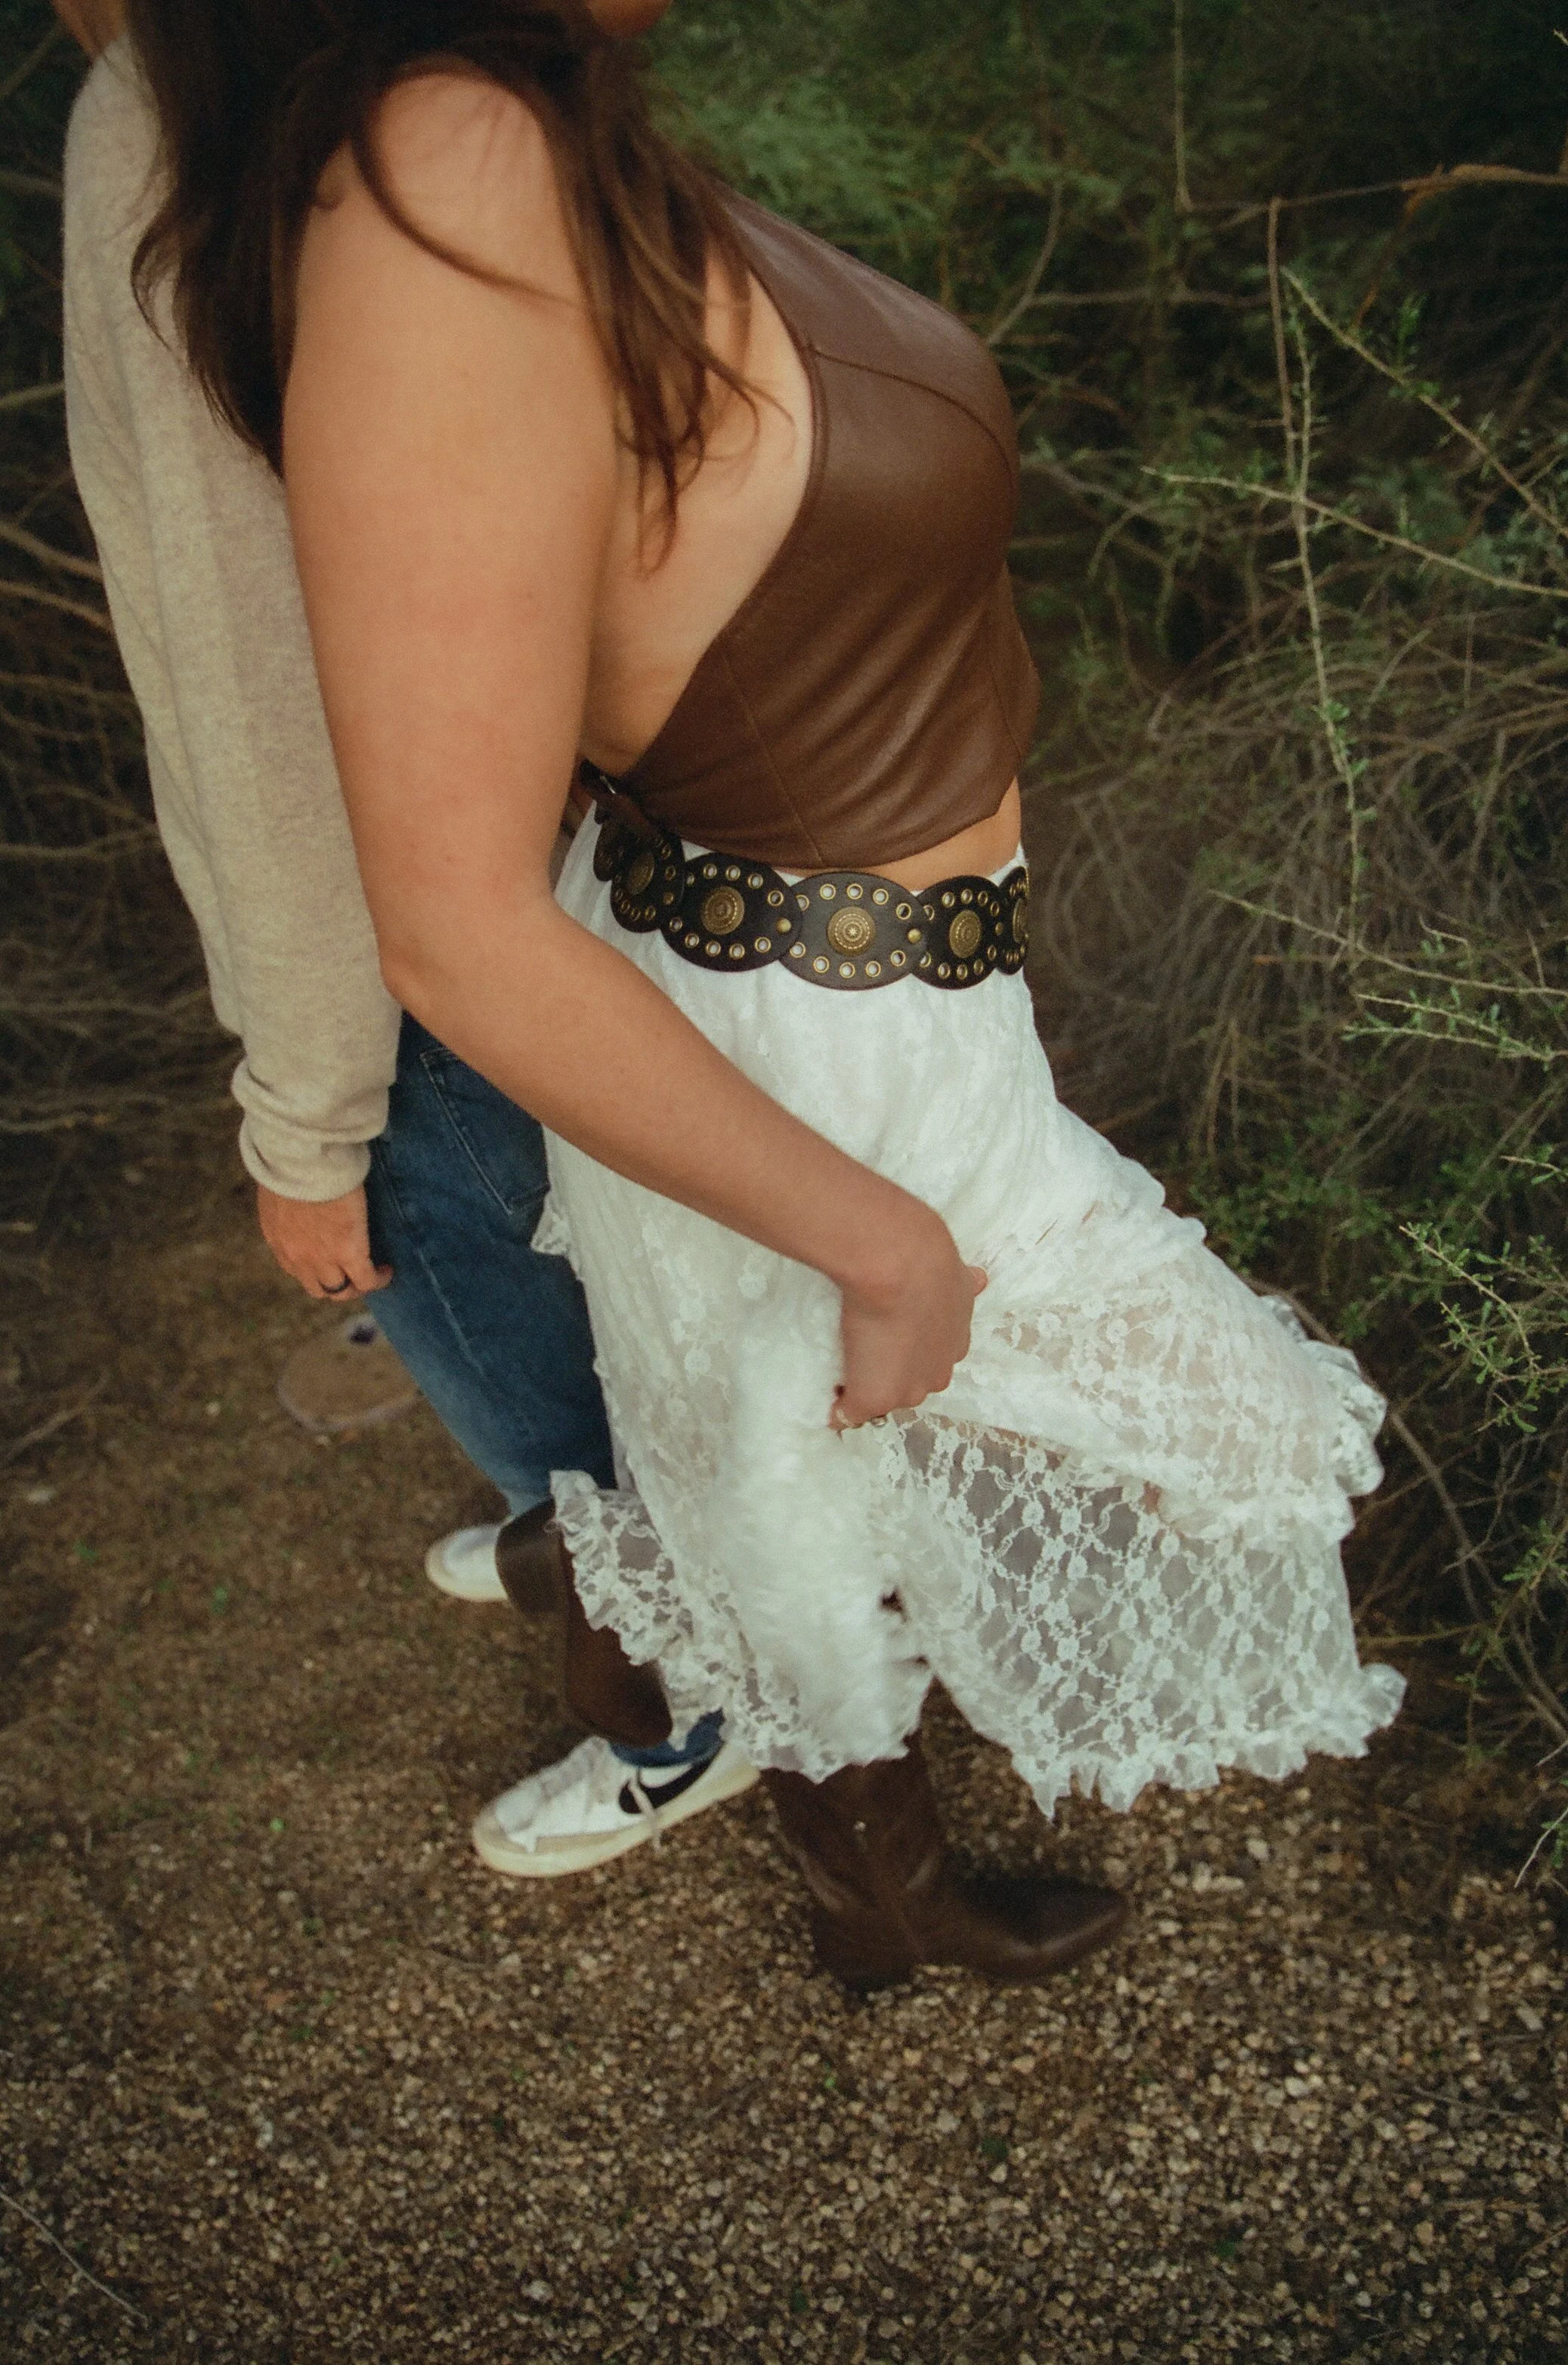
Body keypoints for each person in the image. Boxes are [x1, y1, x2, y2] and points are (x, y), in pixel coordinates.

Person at [120, 0, 1404, 1992]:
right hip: (805, 1035)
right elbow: (449, 919)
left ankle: (709, 1690)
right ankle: (661, 1641)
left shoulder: (534, 141)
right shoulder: (442, 161)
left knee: (794, 1469)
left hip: (901, 1007)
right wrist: (874, 1238)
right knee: (1141, 1445)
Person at [56, 0, 756, 1878]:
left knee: (451, 1250)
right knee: (574, 1236)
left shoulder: (172, 105)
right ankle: (597, 1514)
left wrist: (303, 1108)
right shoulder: (383, 85)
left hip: (401, 898)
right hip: (556, 823)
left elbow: (249, 657)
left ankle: (689, 1689)